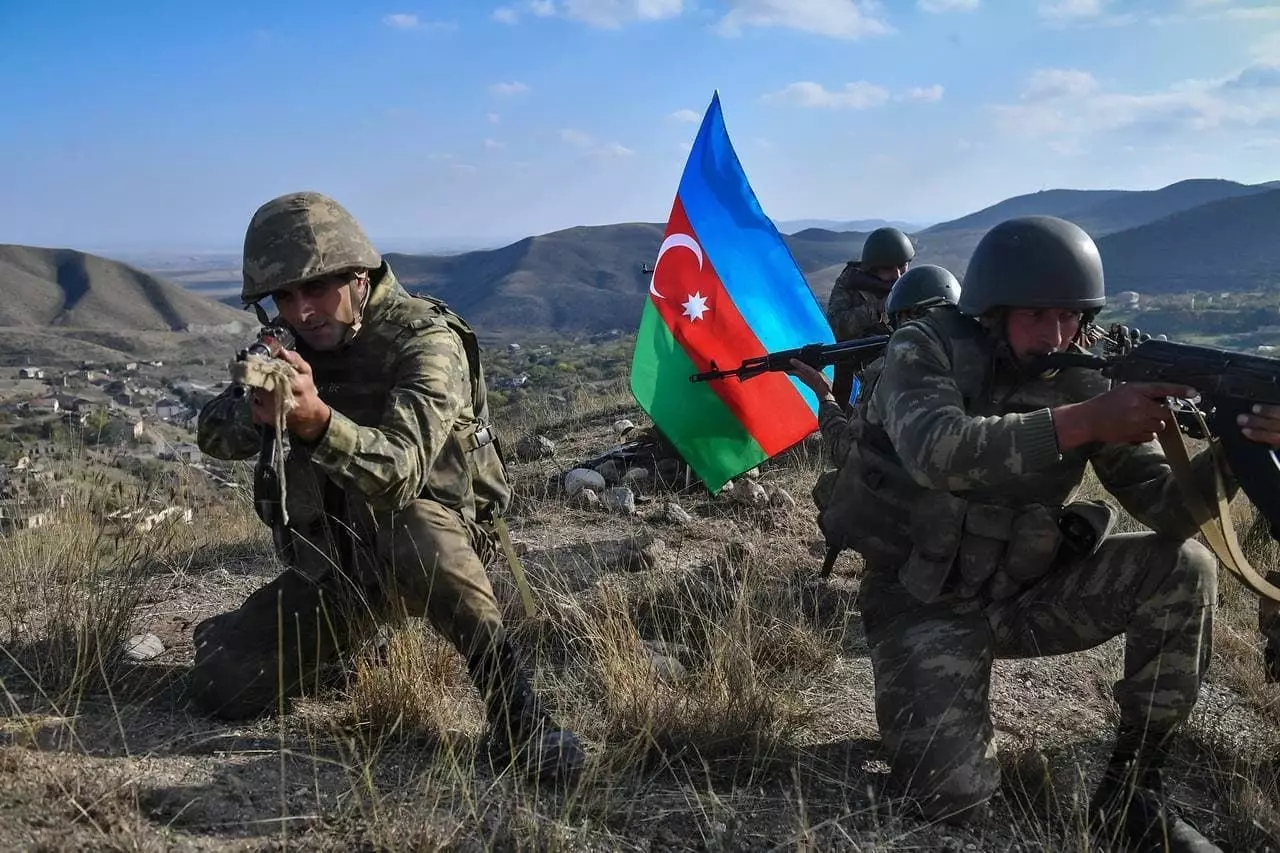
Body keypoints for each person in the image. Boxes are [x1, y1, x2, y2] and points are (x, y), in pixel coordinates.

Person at [821, 214, 1280, 851]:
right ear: (992, 309)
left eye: (1070, 316)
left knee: (1185, 566)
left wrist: (1238, 447)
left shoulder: (1087, 375)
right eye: (1036, 315)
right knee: (952, 800)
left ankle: (1133, 792)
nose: (1056, 335)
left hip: (1024, 591)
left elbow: (1169, 508)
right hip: (920, 599)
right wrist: (1086, 420)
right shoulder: (924, 347)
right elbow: (937, 452)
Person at [189, 191, 585, 784]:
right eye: (284, 297)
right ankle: (335, 648)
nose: (302, 312)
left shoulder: (426, 340)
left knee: (413, 521)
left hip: (439, 555)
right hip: (340, 567)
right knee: (222, 688)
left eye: (316, 289)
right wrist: (259, 408)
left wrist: (316, 422)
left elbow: (401, 470)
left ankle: (517, 712)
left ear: (358, 276)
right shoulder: (288, 345)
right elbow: (214, 438)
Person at [825, 226, 916, 408]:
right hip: (861, 371)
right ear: (872, 269)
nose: (898, 275)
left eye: (902, 266)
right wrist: (875, 309)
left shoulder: (910, 283)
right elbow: (835, 327)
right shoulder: (850, 285)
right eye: (888, 269)